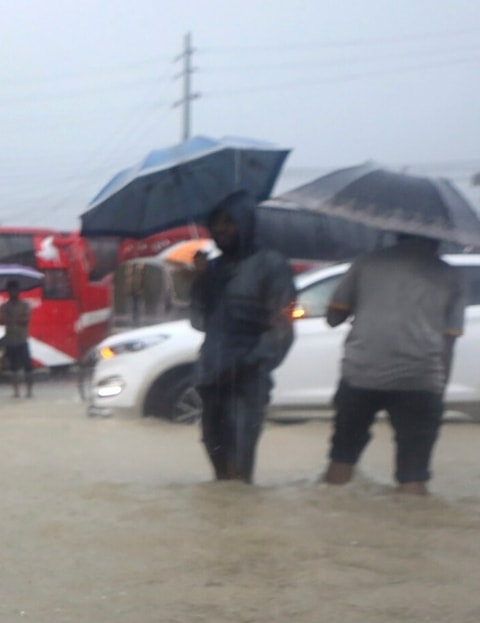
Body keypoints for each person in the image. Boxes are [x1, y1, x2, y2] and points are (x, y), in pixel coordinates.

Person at [322, 234, 464, 495]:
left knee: (341, 459)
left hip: (361, 374)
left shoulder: (366, 263)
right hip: (421, 380)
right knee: (414, 475)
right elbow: (449, 340)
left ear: (396, 233)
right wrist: (438, 391)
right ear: (439, 238)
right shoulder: (449, 274)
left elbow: (333, 317)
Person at [187, 190, 296, 483]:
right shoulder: (215, 269)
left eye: (229, 222)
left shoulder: (271, 265)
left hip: (247, 379)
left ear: (246, 223)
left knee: (239, 462)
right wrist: (200, 283)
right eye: (216, 223)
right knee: (216, 458)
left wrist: (249, 362)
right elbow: (199, 322)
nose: (221, 229)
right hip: (212, 376)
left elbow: (283, 326)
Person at [0, 288, 35, 398]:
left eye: (15, 291)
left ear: (18, 292)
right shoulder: (4, 307)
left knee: (28, 367)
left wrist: (10, 319)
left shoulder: (24, 305)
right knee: (13, 368)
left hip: (22, 339)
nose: (13, 293)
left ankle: (29, 391)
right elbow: (0, 321)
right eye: (11, 291)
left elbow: (25, 320)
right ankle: (16, 392)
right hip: (10, 340)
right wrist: (13, 318)